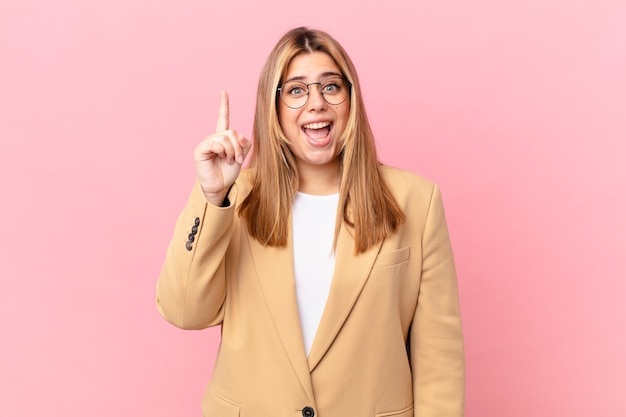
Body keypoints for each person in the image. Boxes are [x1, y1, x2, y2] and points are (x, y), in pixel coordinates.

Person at [157, 27, 464, 417]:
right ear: (275, 108)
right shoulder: (236, 197)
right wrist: (212, 196)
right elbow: (184, 312)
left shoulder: (416, 200)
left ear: (350, 101)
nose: (316, 103)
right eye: (297, 90)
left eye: (331, 87)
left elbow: (439, 356)